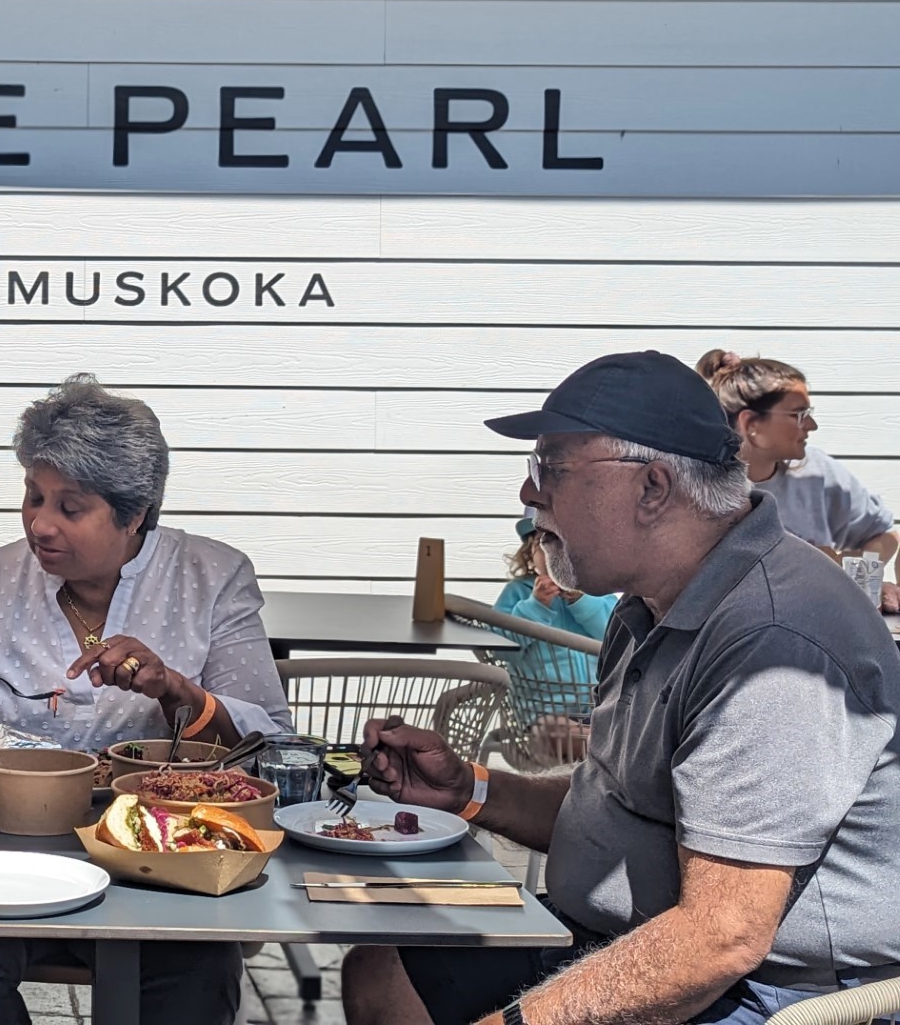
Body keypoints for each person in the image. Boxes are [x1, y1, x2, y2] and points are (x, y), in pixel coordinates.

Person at [341, 351, 900, 1025]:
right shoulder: (647, 604)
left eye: (551, 468)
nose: (528, 494)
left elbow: (721, 939)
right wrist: (470, 791)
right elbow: (614, 808)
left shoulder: (773, 639)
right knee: (384, 969)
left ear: (653, 488)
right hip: (629, 933)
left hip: (774, 992)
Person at [0, 375, 290, 1025]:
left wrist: (175, 691)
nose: (39, 524)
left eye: (70, 508)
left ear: (134, 514)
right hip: (1, 849)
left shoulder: (210, 578)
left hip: (162, 856)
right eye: (32, 496)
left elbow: (267, 742)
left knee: (195, 974)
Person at [695, 350, 900, 615]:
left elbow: (885, 537)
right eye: (799, 414)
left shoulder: (817, 472)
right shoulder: (695, 487)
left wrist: (855, 578)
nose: (812, 425)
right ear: (752, 424)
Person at [491, 518, 613, 762]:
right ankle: (610, 752)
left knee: (627, 724)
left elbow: (616, 635)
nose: (556, 552)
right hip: (544, 713)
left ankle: (604, 746)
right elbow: (500, 648)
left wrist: (580, 600)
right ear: (530, 554)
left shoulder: (597, 591)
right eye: (545, 544)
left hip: (600, 710)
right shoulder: (517, 593)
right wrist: (535, 606)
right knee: (552, 731)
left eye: (567, 544)